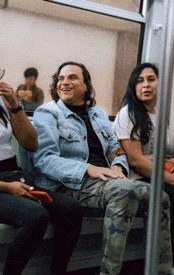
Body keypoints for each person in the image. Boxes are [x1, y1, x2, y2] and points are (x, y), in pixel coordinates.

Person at [32, 61, 173, 275]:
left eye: (72, 77)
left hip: (105, 179)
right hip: (68, 183)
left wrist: (118, 167)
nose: (64, 82)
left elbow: (116, 150)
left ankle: (161, 271)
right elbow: (45, 159)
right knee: (124, 192)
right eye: (60, 78)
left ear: (86, 85)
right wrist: (88, 168)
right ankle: (109, 272)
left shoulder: (97, 114)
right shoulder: (48, 113)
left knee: (160, 197)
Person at [0, 50, 83, 275]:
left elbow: (31, 144)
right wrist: (8, 188)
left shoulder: (2, 105)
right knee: (35, 215)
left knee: (71, 209)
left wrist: (14, 104)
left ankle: (57, 271)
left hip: (13, 177)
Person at [113, 62, 174, 265]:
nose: (145, 85)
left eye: (151, 79)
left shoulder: (161, 116)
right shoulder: (128, 114)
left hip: (159, 173)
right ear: (133, 86)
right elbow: (136, 161)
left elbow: (162, 155)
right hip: (139, 178)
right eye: (139, 81)